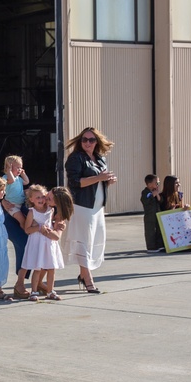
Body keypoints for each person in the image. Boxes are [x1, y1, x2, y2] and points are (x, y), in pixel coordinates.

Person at [63, 126, 116, 294]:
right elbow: (75, 182)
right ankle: (88, 279)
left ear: (97, 142)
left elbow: (99, 180)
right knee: (83, 242)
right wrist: (99, 178)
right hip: (81, 207)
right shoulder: (75, 158)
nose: (87, 143)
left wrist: (108, 180)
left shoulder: (99, 159)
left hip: (97, 208)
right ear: (80, 141)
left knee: (92, 241)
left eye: (91, 140)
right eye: (84, 140)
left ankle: (83, 274)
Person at [21, 185, 64, 301]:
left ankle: (50, 291)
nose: (41, 200)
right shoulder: (32, 212)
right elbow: (27, 229)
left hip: (48, 243)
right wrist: (38, 227)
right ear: (31, 199)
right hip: (37, 242)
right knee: (37, 268)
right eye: (37, 197)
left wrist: (57, 227)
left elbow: (52, 223)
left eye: (42, 197)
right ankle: (34, 291)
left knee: (51, 268)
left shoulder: (51, 210)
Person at [3, 155, 32, 299]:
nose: (19, 169)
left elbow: (27, 182)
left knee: (34, 244)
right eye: (17, 167)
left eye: (21, 166)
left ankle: (35, 282)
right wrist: (3, 201)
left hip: (19, 206)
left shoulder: (20, 180)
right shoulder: (8, 178)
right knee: (25, 244)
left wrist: (22, 172)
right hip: (11, 211)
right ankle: (20, 283)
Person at [140, 174, 164, 253]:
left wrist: (157, 195)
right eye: (156, 183)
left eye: (158, 183)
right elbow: (145, 200)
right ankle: (151, 247)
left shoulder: (156, 192)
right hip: (150, 215)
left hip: (157, 213)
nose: (158, 185)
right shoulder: (145, 192)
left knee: (159, 230)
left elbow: (161, 201)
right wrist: (152, 195)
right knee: (150, 231)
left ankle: (159, 245)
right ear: (149, 184)